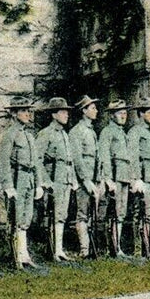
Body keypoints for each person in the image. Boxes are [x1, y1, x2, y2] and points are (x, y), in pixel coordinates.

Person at [0, 96, 41, 269]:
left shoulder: (28, 135)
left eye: (28, 110)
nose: (27, 114)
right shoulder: (9, 134)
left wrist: (38, 183)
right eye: (23, 110)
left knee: (26, 218)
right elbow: (3, 161)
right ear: (14, 114)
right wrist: (8, 185)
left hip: (29, 179)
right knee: (15, 217)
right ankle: (16, 255)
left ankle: (24, 255)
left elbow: (35, 162)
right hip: (17, 178)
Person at [36, 96, 79, 262]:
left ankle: (59, 250)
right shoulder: (46, 134)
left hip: (66, 178)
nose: (66, 115)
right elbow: (37, 160)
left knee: (62, 215)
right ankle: (53, 249)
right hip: (55, 179)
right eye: (63, 112)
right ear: (54, 115)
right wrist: (46, 180)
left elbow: (70, 159)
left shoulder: (65, 135)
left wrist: (73, 179)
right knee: (54, 214)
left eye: (67, 112)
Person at [97, 100, 135, 257]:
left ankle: (117, 246)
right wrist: (108, 178)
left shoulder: (122, 132)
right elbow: (104, 156)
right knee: (112, 212)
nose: (123, 116)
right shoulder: (107, 132)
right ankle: (110, 247)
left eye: (125, 113)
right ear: (112, 116)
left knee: (121, 212)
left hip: (124, 176)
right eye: (120, 113)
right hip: (114, 176)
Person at [127, 101, 150, 258]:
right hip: (143, 178)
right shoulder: (135, 132)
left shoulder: (149, 132)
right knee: (138, 214)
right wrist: (136, 178)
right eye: (149, 112)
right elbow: (133, 157)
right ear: (140, 114)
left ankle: (147, 250)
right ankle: (137, 250)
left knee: (148, 215)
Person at [68, 95, 100, 258]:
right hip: (82, 181)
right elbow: (77, 158)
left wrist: (97, 179)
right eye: (92, 108)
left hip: (92, 179)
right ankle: (84, 250)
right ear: (84, 111)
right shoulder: (77, 132)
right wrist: (85, 180)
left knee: (90, 213)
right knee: (82, 213)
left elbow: (96, 158)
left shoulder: (91, 131)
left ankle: (91, 248)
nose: (96, 111)